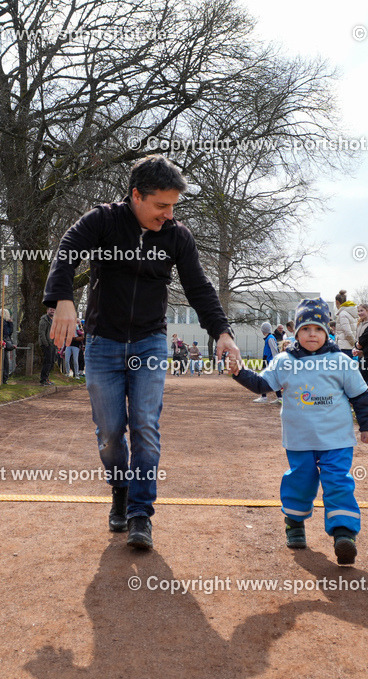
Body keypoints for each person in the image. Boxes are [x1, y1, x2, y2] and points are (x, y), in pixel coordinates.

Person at [44, 154, 240, 550]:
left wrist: (222, 331)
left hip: (150, 341)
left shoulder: (177, 236)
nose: (168, 215)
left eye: (173, 207)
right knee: (110, 433)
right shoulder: (102, 220)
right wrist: (62, 298)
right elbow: (67, 250)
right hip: (103, 342)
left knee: (145, 427)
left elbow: (199, 287)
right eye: (161, 205)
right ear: (136, 195)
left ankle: (140, 514)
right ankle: (120, 490)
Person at [229, 298, 368, 563]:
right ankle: (294, 523)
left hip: (337, 440)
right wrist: (239, 372)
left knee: (337, 482)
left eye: (318, 329)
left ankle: (344, 534)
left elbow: (361, 395)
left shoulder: (340, 361)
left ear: (327, 332)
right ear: (296, 332)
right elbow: (263, 384)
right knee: (300, 480)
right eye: (306, 329)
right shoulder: (284, 361)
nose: (312, 334)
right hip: (300, 440)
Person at [254, 322, 280, 403]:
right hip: (267, 361)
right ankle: (278, 397)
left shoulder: (270, 338)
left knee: (264, 378)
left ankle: (264, 397)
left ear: (263, 330)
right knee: (269, 379)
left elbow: (274, 351)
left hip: (269, 362)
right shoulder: (269, 337)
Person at [38, 307, 56, 386]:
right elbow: (41, 333)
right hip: (47, 344)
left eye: (53, 310)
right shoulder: (44, 320)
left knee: (52, 361)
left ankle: (47, 378)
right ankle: (43, 379)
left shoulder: (54, 320)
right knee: (47, 362)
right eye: (50, 309)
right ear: (47, 310)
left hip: (53, 343)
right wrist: (46, 344)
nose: (52, 311)